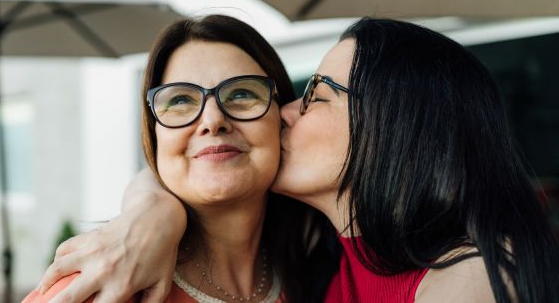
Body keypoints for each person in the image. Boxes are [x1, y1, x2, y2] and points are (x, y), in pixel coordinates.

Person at [38, 18, 559, 302]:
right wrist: (150, 212)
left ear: (393, 125)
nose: (287, 113)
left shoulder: (466, 279)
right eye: (179, 100)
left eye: (315, 95)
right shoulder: (106, 280)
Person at [24, 15, 338, 303]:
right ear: (155, 135)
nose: (213, 120)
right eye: (180, 100)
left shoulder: (320, 273)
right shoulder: (99, 287)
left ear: (280, 120)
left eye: (242, 94)